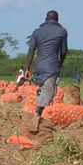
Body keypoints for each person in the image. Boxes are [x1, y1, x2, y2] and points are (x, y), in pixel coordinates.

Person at [23, 9, 69, 139]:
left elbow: (31, 51)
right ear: (57, 19)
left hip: (39, 66)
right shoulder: (62, 31)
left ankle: (41, 120)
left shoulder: (37, 32)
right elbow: (63, 51)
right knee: (47, 95)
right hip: (52, 66)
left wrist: (27, 68)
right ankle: (37, 121)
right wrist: (60, 63)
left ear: (45, 19)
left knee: (42, 92)